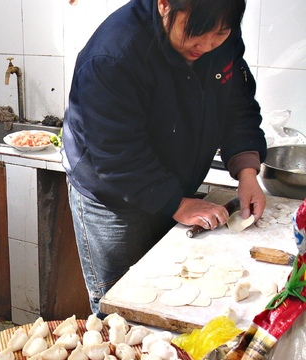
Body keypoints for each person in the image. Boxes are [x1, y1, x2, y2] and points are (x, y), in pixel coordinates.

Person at [62, 0, 267, 315]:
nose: (208, 44)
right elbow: (115, 154)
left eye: (222, 32)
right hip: (114, 200)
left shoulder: (215, 32)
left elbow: (236, 106)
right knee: (123, 307)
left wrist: (247, 172)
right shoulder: (114, 55)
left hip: (169, 185)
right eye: (197, 32)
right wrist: (178, 204)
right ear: (163, 4)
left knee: (174, 291)